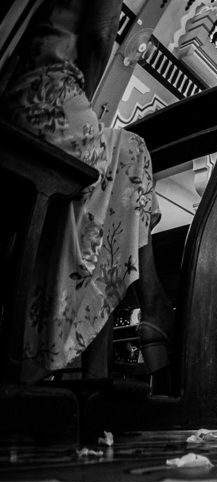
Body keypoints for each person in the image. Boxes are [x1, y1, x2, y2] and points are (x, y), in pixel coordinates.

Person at [3, 0, 172, 382]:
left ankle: (145, 313)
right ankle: (151, 309)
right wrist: (86, 99)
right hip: (48, 102)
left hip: (10, 102)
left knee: (113, 174)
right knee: (131, 152)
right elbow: (100, 31)